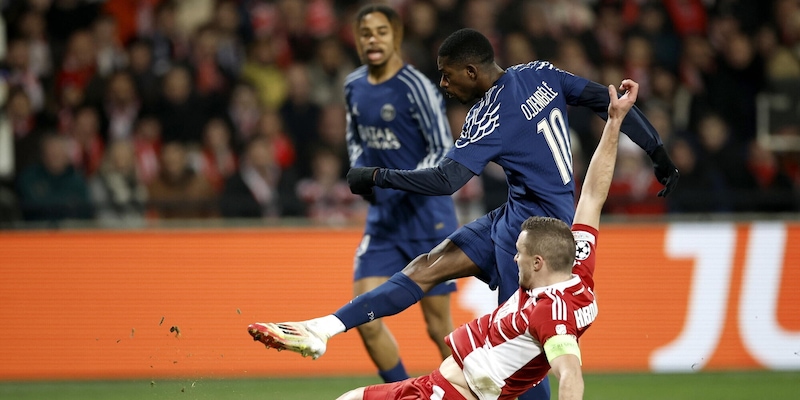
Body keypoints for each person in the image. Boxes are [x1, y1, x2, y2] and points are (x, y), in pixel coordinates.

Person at [249, 29, 678, 400]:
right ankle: (323, 328)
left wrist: (378, 175)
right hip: (520, 216)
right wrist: (658, 151)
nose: (443, 84)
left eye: (447, 75)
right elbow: (608, 101)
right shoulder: (541, 74)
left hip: (532, 240)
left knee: (522, 349)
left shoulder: (488, 116)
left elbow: (445, 180)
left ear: (471, 72)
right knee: (424, 267)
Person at [334, 78, 638, 400]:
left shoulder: (552, 313)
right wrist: (614, 122)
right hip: (450, 377)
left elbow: (571, 373)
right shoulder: (579, 265)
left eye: (519, 252)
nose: (512, 257)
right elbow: (592, 196)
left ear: (538, 262)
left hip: (460, 391)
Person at [314, 4, 461, 384]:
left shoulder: (417, 86)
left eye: (381, 31)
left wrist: (392, 179)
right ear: (358, 40)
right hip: (383, 220)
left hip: (427, 217)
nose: (373, 39)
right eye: (365, 33)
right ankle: (401, 392)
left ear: (395, 37)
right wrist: (361, 170)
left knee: (437, 327)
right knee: (365, 320)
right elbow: (356, 138)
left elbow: (442, 148)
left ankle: (477, 390)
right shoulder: (353, 86)